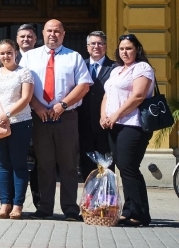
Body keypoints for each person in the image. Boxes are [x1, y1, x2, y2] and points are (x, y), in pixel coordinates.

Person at [20, 19, 92, 221]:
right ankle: (45, 207)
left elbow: (84, 86)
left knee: (68, 165)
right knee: (44, 164)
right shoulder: (29, 57)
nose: (53, 34)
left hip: (66, 116)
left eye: (57, 31)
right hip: (39, 116)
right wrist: (38, 106)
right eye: (49, 31)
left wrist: (64, 105)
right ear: (42, 34)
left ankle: (70, 208)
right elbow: (22, 85)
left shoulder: (74, 57)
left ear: (63, 34)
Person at [100, 33, 155, 227]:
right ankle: (130, 210)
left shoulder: (142, 68)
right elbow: (107, 95)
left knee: (129, 167)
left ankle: (140, 214)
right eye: (122, 49)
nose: (125, 52)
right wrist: (104, 115)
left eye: (129, 48)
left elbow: (138, 96)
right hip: (115, 125)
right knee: (124, 168)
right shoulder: (117, 70)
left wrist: (115, 115)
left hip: (134, 125)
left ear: (137, 50)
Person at [0, 39, 34, 220]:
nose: (6, 56)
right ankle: (5, 204)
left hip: (20, 122)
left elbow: (26, 97)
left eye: (9, 52)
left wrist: (7, 114)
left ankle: (18, 205)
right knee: (3, 165)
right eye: (3, 53)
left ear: (15, 53)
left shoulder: (24, 73)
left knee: (19, 164)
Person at [78, 30, 116, 179]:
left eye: (100, 43)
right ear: (87, 47)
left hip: (106, 125)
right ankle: (89, 200)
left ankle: (107, 200)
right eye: (93, 43)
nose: (96, 46)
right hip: (83, 123)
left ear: (105, 46)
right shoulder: (80, 65)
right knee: (86, 165)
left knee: (106, 166)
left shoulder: (115, 67)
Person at [16, 23, 40, 208]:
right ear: (17, 39)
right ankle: (15, 202)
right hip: (14, 119)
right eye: (22, 36)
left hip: (38, 116)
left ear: (35, 40)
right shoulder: (8, 57)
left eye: (29, 36)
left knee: (38, 162)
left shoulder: (42, 58)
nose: (26, 39)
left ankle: (40, 203)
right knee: (16, 162)